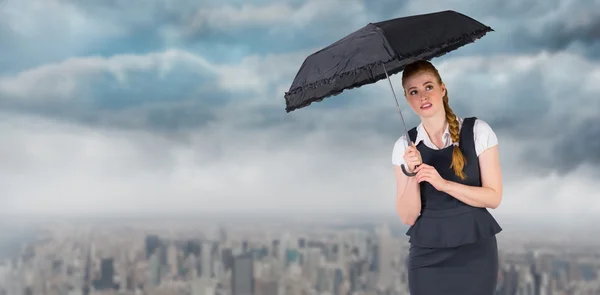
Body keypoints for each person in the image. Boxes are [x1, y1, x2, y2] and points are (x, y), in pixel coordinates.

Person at [391, 60, 503, 295]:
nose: (422, 96)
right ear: (407, 99)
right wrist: (411, 173)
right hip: (427, 255)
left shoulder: (478, 131)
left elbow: (493, 197)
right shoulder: (404, 146)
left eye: (428, 87)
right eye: (414, 92)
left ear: (442, 89)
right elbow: (407, 216)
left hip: (475, 252)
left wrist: (444, 184)